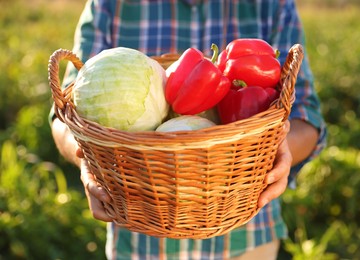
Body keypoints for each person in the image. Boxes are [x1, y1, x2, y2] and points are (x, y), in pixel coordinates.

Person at [50, 0, 327, 259]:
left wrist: (275, 149)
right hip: (139, 242)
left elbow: (306, 115)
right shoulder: (110, 4)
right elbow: (67, 108)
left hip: (248, 240)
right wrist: (85, 158)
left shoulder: (272, 4)